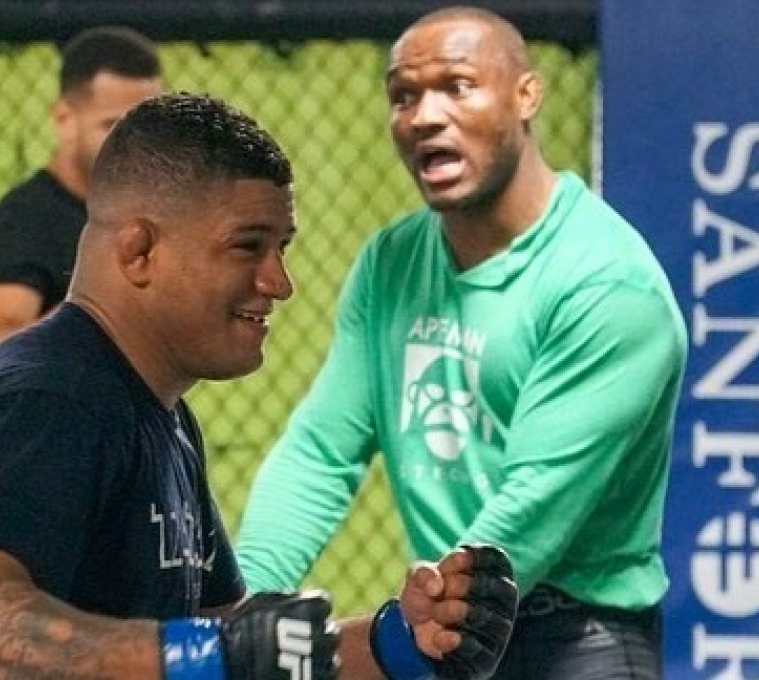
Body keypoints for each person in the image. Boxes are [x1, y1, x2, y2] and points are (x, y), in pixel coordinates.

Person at [0, 92, 518, 680]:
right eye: (249, 246)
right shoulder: (48, 399)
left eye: (282, 248)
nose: (280, 282)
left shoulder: (158, 413)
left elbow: (236, 644)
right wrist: (199, 657)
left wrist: (401, 641)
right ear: (139, 252)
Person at [237, 6, 688, 680]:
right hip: (449, 628)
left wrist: (411, 628)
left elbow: (532, 504)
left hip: (574, 643)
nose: (424, 115)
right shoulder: (391, 262)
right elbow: (321, 451)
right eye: (403, 95)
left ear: (527, 95)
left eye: (457, 85)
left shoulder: (607, 285)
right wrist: (241, 605)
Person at [0, 26, 163, 392]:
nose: (133, 145)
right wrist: (91, 310)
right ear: (65, 120)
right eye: (112, 126)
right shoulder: (27, 222)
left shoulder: (132, 215)